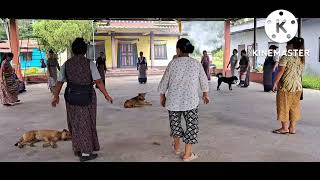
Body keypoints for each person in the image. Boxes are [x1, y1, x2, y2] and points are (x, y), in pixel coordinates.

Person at [51, 38, 113, 162]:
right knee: (86, 123)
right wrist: (106, 94)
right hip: (87, 97)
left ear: (73, 50)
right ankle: (85, 153)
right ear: (85, 50)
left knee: (75, 123)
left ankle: (78, 148)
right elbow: (98, 81)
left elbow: (59, 82)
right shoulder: (89, 63)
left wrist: (55, 96)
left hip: (71, 97)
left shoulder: (66, 64)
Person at [158, 38, 210, 162]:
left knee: (175, 125)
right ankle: (187, 155)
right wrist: (205, 94)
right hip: (191, 101)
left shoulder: (172, 63)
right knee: (191, 126)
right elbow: (203, 80)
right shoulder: (196, 63)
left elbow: (164, 81)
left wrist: (162, 96)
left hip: (173, 101)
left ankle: (176, 148)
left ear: (178, 50)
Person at [272, 37, 305, 135]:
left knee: (283, 106)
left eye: (287, 44)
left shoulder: (286, 56)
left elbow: (281, 71)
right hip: (298, 87)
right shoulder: (301, 57)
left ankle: (284, 128)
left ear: (291, 46)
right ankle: (292, 128)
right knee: (294, 107)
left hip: (286, 86)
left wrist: (275, 83)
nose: (286, 46)